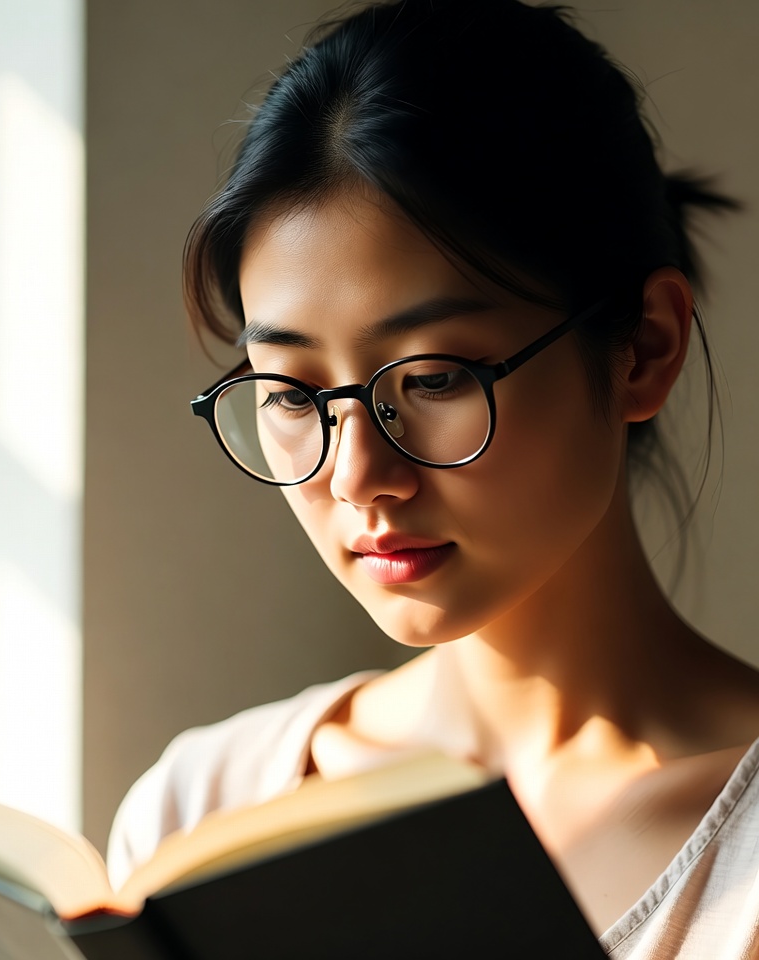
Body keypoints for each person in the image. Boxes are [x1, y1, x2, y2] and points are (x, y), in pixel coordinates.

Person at [108, 0, 759, 955]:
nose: (360, 476)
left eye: (436, 380)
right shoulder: (202, 807)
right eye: (289, 392)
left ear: (643, 348)